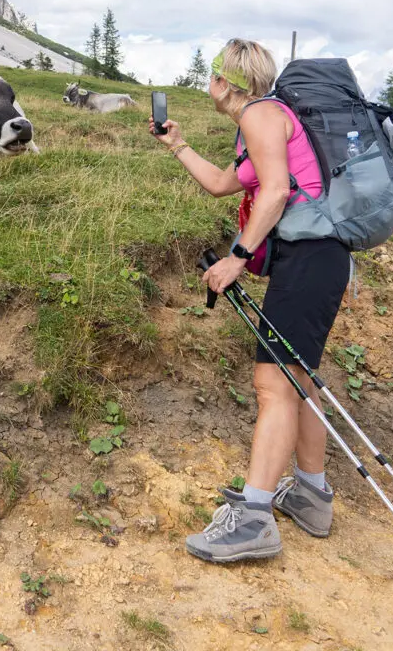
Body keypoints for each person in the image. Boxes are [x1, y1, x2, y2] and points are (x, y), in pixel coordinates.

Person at [149, 38, 349, 563]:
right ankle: (310, 494)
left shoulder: (261, 114)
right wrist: (177, 144)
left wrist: (238, 255)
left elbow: (277, 191)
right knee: (297, 378)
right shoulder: (262, 120)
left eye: (212, 75)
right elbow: (222, 183)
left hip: (310, 259)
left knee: (274, 383)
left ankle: (255, 518)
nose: (207, 84)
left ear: (225, 81)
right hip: (317, 259)